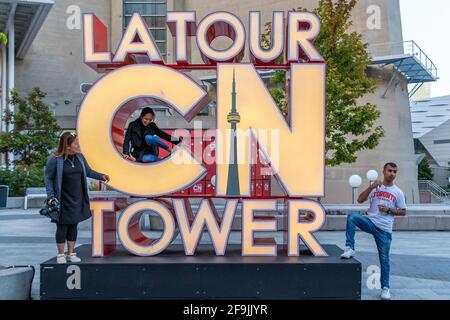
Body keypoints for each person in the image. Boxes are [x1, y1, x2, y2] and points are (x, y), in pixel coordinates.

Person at [341, 163, 407, 300]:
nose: (392, 173)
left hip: (384, 229)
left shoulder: (398, 192)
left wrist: (388, 210)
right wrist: (371, 187)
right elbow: (359, 200)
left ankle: (385, 288)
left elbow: (403, 211)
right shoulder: (375, 187)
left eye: (395, 171)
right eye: (389, 170)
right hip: (370, 222)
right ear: (383, 171)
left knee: (384, 259)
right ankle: (350, 248)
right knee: (352, 216)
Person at [45, 132, 110, 264]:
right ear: (67, 146)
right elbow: (48, 178)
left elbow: (89, 171)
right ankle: (60, 255)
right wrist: (51, 196)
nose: (78, 146)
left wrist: (101, 176)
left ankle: (71, 253)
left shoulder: (79, 158)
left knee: (74, 226)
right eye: (76, 143)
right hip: (62, 199)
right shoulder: (55, 159)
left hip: (77, 198)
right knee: (62, 227)